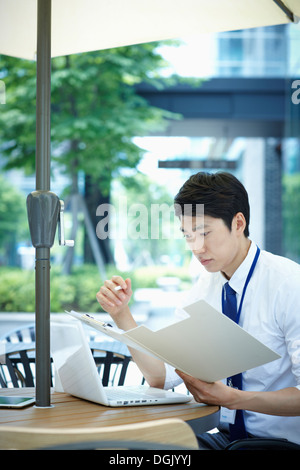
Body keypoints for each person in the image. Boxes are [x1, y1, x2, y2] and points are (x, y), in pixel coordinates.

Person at [96, 171, 300, 449]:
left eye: (204, 233)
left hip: (278, 444)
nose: (196, 247)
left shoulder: (288, 284)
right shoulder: (203, 289)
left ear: (238, 223)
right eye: (188, 235)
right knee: (135, 449)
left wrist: (232, 399)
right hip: (222, 438)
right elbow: (161, 376)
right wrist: (122, 316)